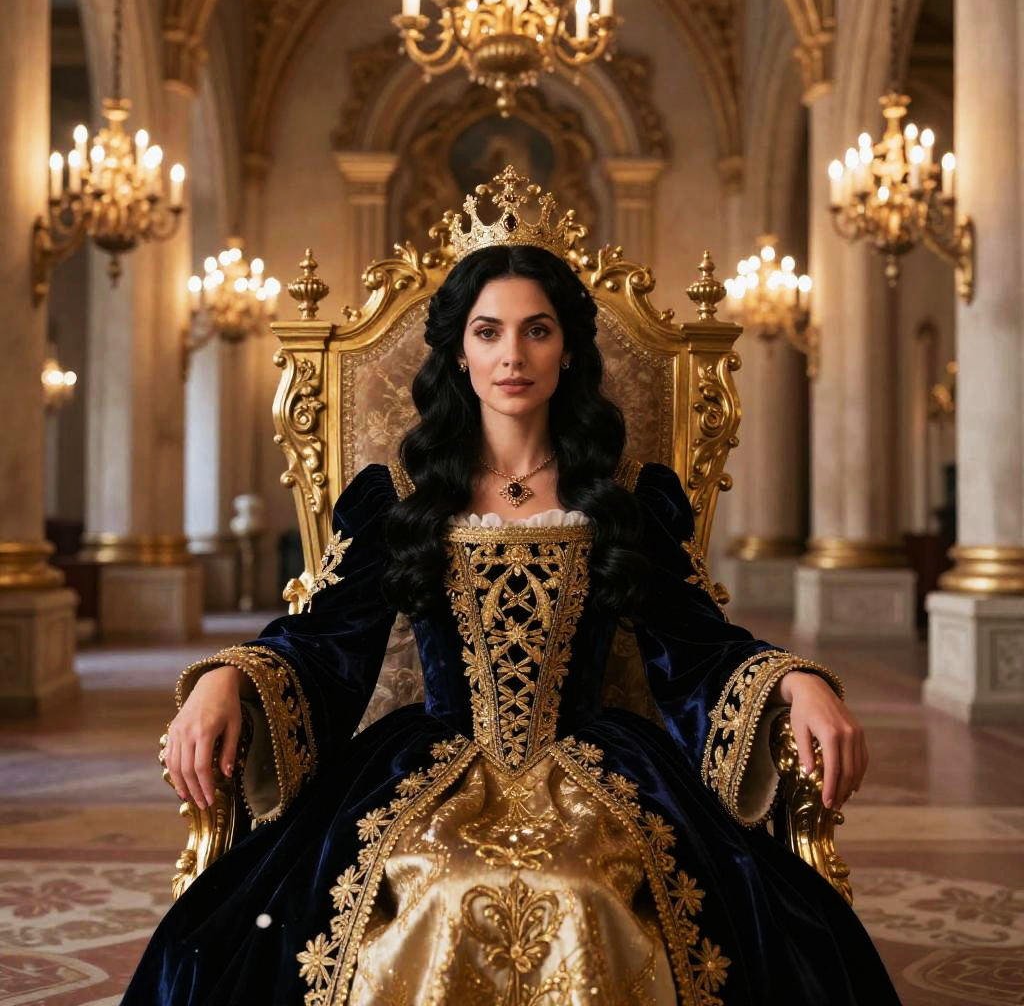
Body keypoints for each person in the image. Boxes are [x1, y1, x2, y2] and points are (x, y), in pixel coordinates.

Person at [124, 202, 902, 1004]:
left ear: (568, 350)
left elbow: (697, 644)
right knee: (440, 886)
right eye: (488, 331)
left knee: (580, 890)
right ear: (460, 353)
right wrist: (229, 677)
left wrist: (794, 681)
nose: (512, 355)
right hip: (426, 771)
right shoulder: (400, 499)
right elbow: (325, 641)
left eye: (537, 330)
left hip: (597, 772)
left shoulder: (624, 498)